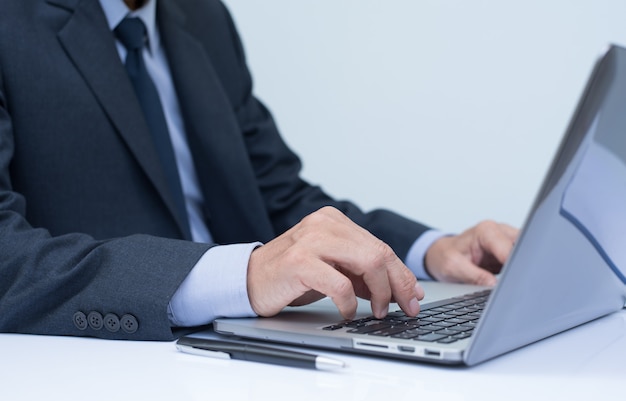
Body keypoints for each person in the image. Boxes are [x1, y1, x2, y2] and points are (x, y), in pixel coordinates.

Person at [0, 0, 517, 341]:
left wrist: (429, 250)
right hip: (107, 363)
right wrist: (242, 276)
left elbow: (279, 197)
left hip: (247, 354)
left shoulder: (201, 17)